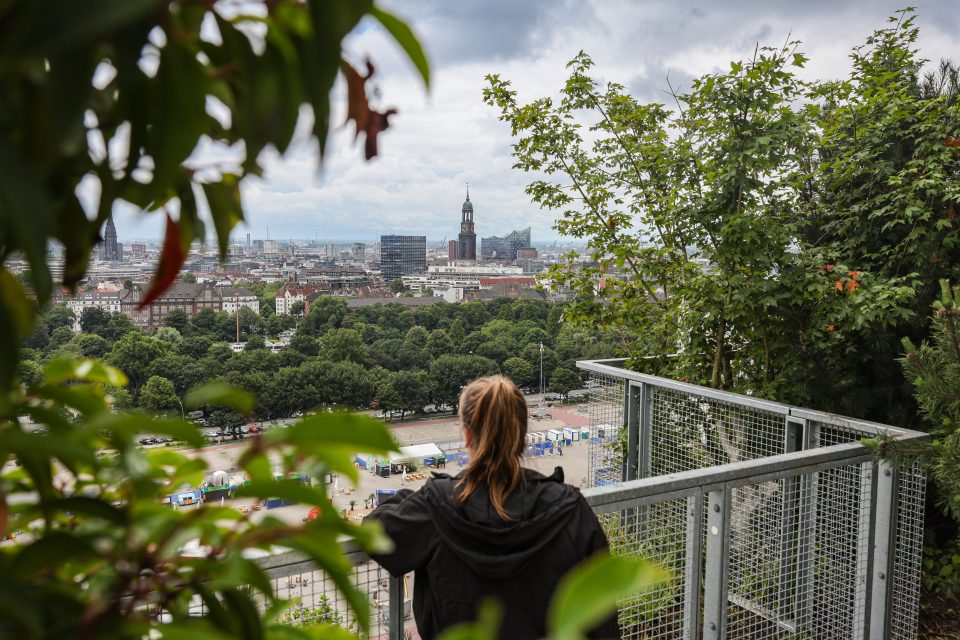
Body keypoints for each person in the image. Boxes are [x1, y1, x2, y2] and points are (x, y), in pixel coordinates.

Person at [366, 376, 618, 639]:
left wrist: (409, 497)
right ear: (522, 437)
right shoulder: (571, 510)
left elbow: (377, 536)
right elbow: (602, 618)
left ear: (466, 435)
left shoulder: (436, 505)